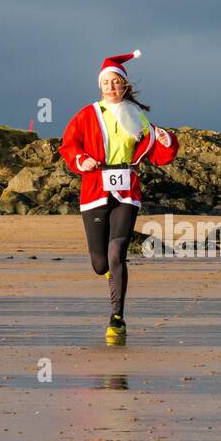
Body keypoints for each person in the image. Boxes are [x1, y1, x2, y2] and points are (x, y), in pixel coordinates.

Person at [58, 50, 179, 343]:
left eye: (116, 82)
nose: (112, 87)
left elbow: (159, 155)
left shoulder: (136, 115)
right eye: (106, 83)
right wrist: (81, 159)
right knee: (100, 263)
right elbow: (68, 145)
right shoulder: (87, 114)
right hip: (95, 190)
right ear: (100, 86)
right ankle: (108, 272)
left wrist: (167, 139)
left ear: (124, 86)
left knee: (117, 253)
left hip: (127, 190)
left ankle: (117, 319)